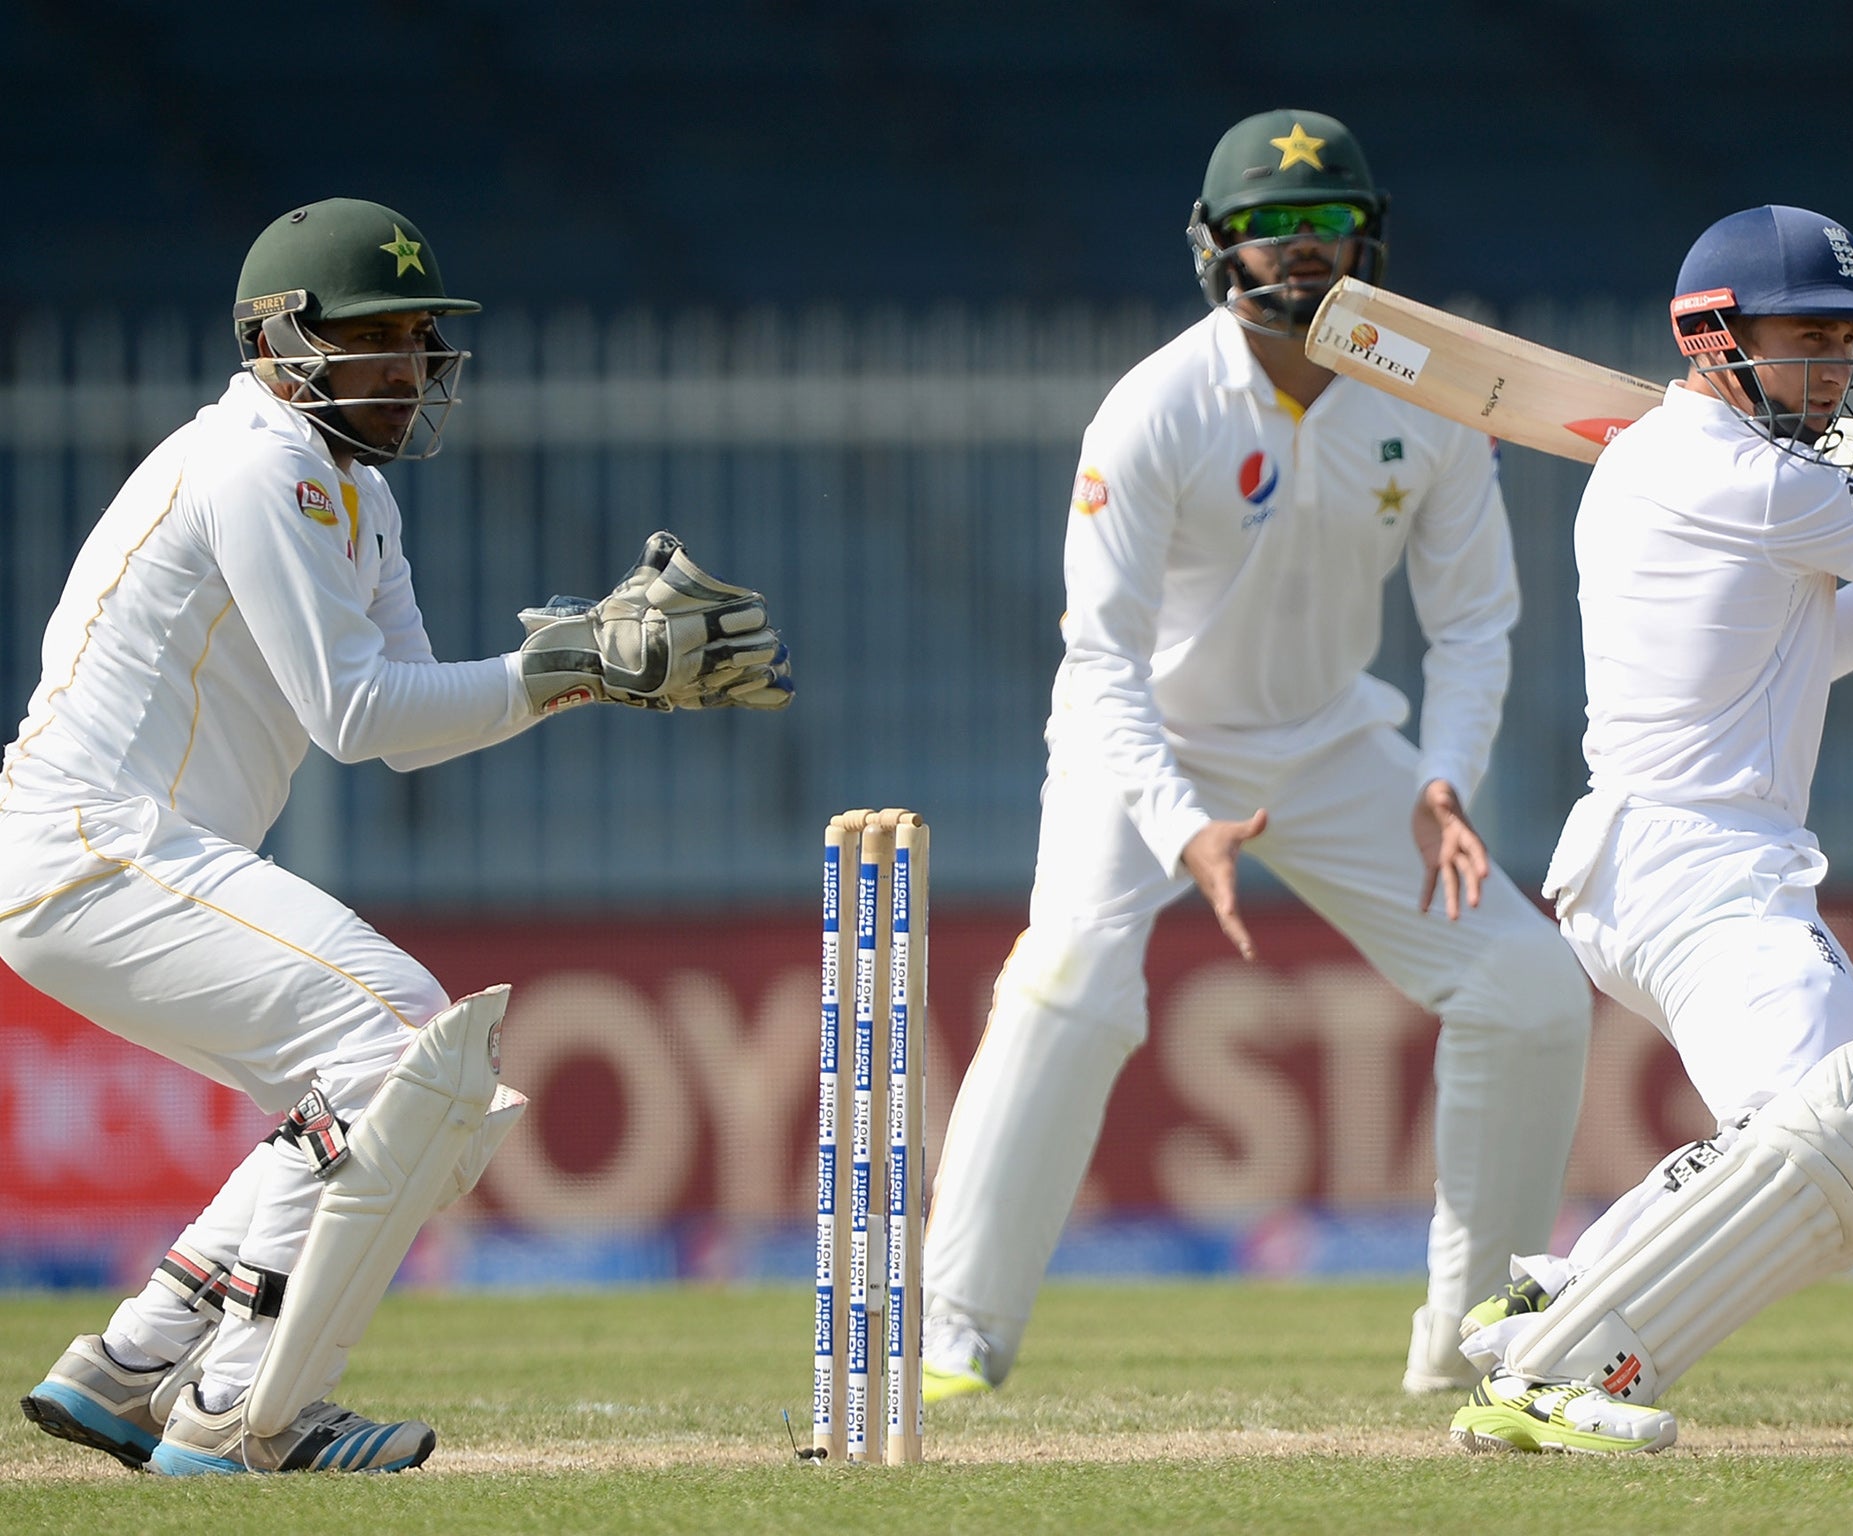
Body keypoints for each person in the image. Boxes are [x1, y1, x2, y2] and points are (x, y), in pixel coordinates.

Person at [5, 197, 791, 1475]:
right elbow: (354, 711)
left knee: (362, 1081)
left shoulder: (349, 486)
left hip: (125, 857)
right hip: (94, 844)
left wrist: (574, 667)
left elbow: (410, 723)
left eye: (423, 336)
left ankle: (136, 1362)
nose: (413, 367)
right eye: (380, 336)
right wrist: (569, 665)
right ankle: (243, 1410)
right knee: (399, 1038)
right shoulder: (258, 461)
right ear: (280, 340)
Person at [917, 109, 1594, 1404]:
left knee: (1530, 990)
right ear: (1215, 250)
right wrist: (1180, 823)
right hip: (1151, 742)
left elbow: (1473, 624)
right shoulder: (1154, 410)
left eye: (1328, 227)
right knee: (1071, 979)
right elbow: (1101, 661)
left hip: (1336, 744)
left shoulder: (1434, 399)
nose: (1302, 253)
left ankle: (1472, 1348)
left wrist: (1445, 776)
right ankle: (957, 1336)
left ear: (1370, 245)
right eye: (1270, 231)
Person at [1447, 205, 1853, 1455]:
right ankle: (1555, 1373)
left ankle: (1551, 1297)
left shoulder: (1710, 473)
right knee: (1835, 1132)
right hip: (1695, 864)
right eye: (1806, 337)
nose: (1832, 367)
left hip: (1675, 859)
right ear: (1713, 337)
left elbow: (1806, 646)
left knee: (1843, 1164)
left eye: (1842, 340)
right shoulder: (1732, 468)